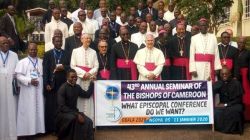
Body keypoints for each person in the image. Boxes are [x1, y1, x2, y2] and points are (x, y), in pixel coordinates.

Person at [15, 43, 45, 136]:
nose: (33, 51)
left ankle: (38, 131)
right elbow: (18, 75)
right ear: (27, 50)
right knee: (28, 110)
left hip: (39, 90)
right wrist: (29, 81)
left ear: (37, 50)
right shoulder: (22, 62)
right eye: (31, 50)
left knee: (39, 109)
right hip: (28, 90)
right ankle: (27, 132)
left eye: (35, 49)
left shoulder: (41, 61)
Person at [56, 69, 94, 140]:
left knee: (89, 121)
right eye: (72, 77)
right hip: (63, 113)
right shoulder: (62, 88)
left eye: (76, 77)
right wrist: (77, 115)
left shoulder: (77, 87)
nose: (75, 78)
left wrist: (91, 83)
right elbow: (62, 107)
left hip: (74, 112)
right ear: (67, 77)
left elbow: (87, 95)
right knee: (73, 119)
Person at [43, 36, 70, 133]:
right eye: (57, 41)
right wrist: (46, 83)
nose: (59, 43)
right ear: (53, 42)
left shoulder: (66, 53)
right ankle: (51, 128)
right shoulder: (48, 54)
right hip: (51, 84)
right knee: (51, 107)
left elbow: (70, 67)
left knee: (62, 106)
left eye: (60, 41)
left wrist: (64, 67)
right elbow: (45, 70)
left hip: (63, 84)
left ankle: (62, 128)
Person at [70, 34, 98, 122]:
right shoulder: (75, 51)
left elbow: (96, 66)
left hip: (89, 78)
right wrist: (83, 73)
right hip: (79, 79)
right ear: (81, 40)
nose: (88, 40)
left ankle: (90, 122)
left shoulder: (93, 52)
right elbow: (73, 65)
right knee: (79, 99)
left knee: (89, 99)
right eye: (86, 38)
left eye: (89, 38)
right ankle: (78, 121)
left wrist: (89, 73)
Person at [213, 66, 244, 134]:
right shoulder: (218, 83)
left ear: (230, 74)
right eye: (222, 74)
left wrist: (226, 105)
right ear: (220, 75)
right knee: (216, 111)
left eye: (226, 73)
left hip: (234, 104)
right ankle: (220, 129)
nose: (224, 75)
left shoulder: (236, 83)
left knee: (235, 110)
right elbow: (211, 92)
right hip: (222, 104)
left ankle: (234, 130)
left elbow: (239, 100)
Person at [0, 36, 19, 140]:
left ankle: (12, 135)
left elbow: (17, 72)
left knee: (12, 109)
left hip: (11, 86)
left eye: (7, 43)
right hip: (1, 87)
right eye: (3, 43)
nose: (6, 44)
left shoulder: (14, 55)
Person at [237, 37, 250, 120]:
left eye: (242, 42)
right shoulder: (235, 51)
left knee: (246, 95)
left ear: (245, 43)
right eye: (239, 42)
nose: (241, 44)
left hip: (246, 76)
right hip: (236, 75)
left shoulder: (248, 52)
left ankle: (247, 117)